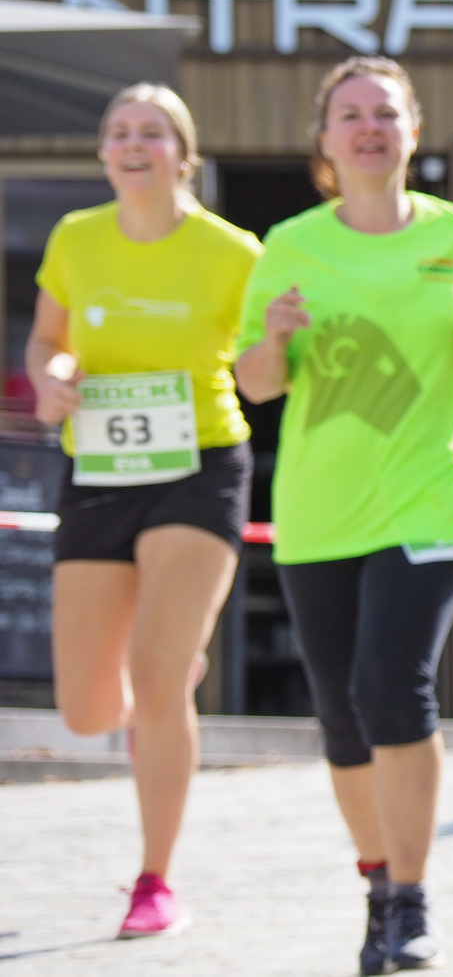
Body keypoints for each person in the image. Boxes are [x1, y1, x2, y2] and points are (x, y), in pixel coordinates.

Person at [235, 56, 453, 975]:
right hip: (320, 511)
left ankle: (412, 893)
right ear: (324, 141)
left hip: (430, 497)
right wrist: (274, 337)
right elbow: (254, 381)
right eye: (350, 115)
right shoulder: (288, 244)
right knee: (343, 714)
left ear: (411, 130)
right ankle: (378, 883)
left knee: (393, 682)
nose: (368, 128)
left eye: (385, 114)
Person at [28, 84, 260, 938]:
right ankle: (164, 681)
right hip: (99, 468)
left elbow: (267, 358)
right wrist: (51, 379)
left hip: (198, 465)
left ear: (183, 154)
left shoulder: (234, 252)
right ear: (102, 154)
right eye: (119, 133)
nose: (134, 145)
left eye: (152, 133)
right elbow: (47, 344)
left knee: (158, 678)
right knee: (89, 710)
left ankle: (154, 879)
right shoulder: (75, 238)